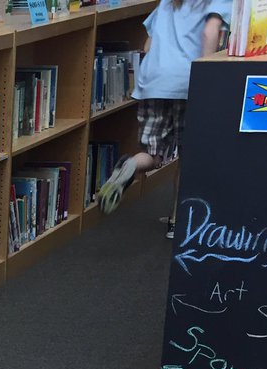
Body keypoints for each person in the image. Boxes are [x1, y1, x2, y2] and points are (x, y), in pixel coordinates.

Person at [96, 0, 227, 237]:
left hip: (154, 81)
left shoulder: (167, 2)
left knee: (153, 155)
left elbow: (148, 45)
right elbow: (209, 33)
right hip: (186, 82)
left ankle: (130, 165)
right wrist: (207, 75)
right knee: (188, 156)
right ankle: (176, 222)